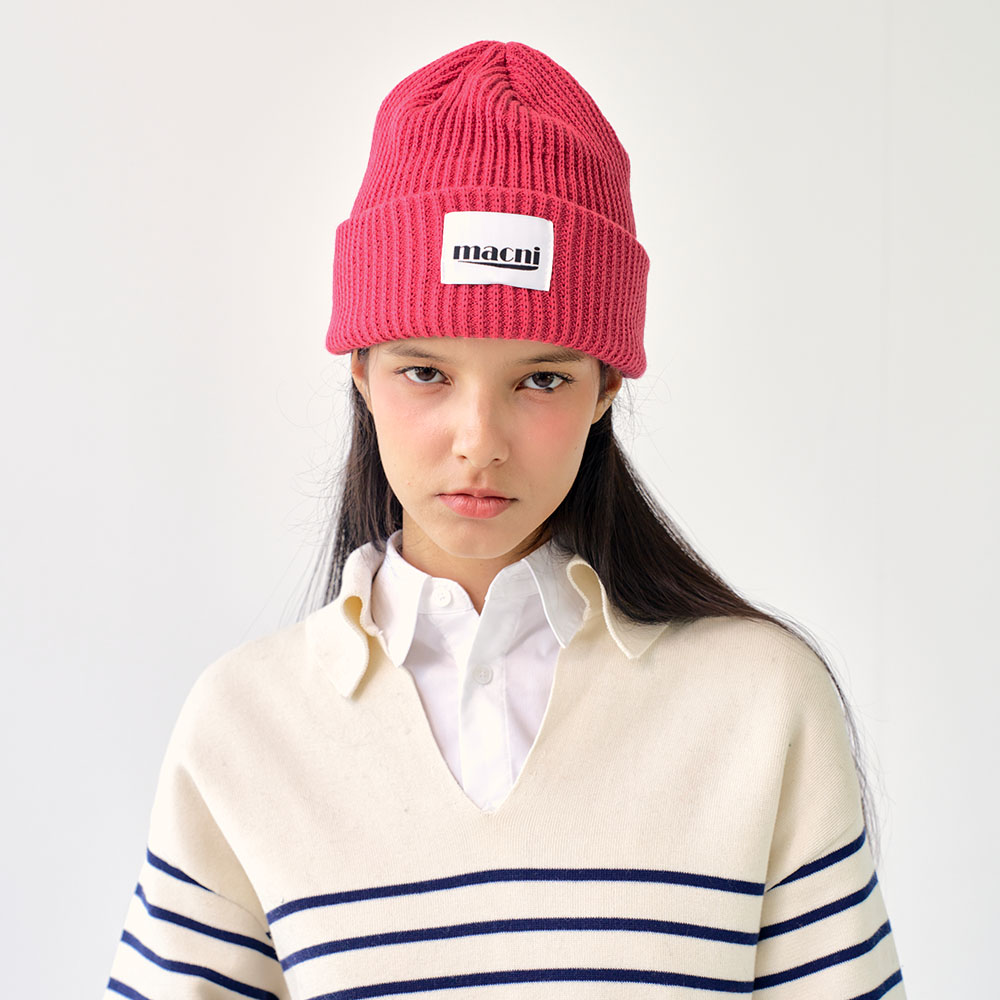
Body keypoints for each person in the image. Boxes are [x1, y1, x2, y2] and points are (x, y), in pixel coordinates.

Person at [103, 39, 905, 999]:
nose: (478, 441)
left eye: (541, 379)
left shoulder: (761, 706)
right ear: (359, 371)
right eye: (425, 372)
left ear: (606, 386)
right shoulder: (246, 727)